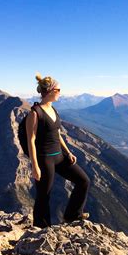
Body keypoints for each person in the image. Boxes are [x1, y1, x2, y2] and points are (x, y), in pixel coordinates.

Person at [26, 73, 90, 228]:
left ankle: (72, 215)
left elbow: (57, 133)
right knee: (44, 195)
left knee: (83, 181)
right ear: (50, 91)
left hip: (59, 156)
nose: (60, 93)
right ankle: (41, 228)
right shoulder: (35, 113)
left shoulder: (53, 109)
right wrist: (35, 166)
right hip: (45, 159)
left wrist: (68, 152)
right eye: (58, 90)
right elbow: (31, 140)